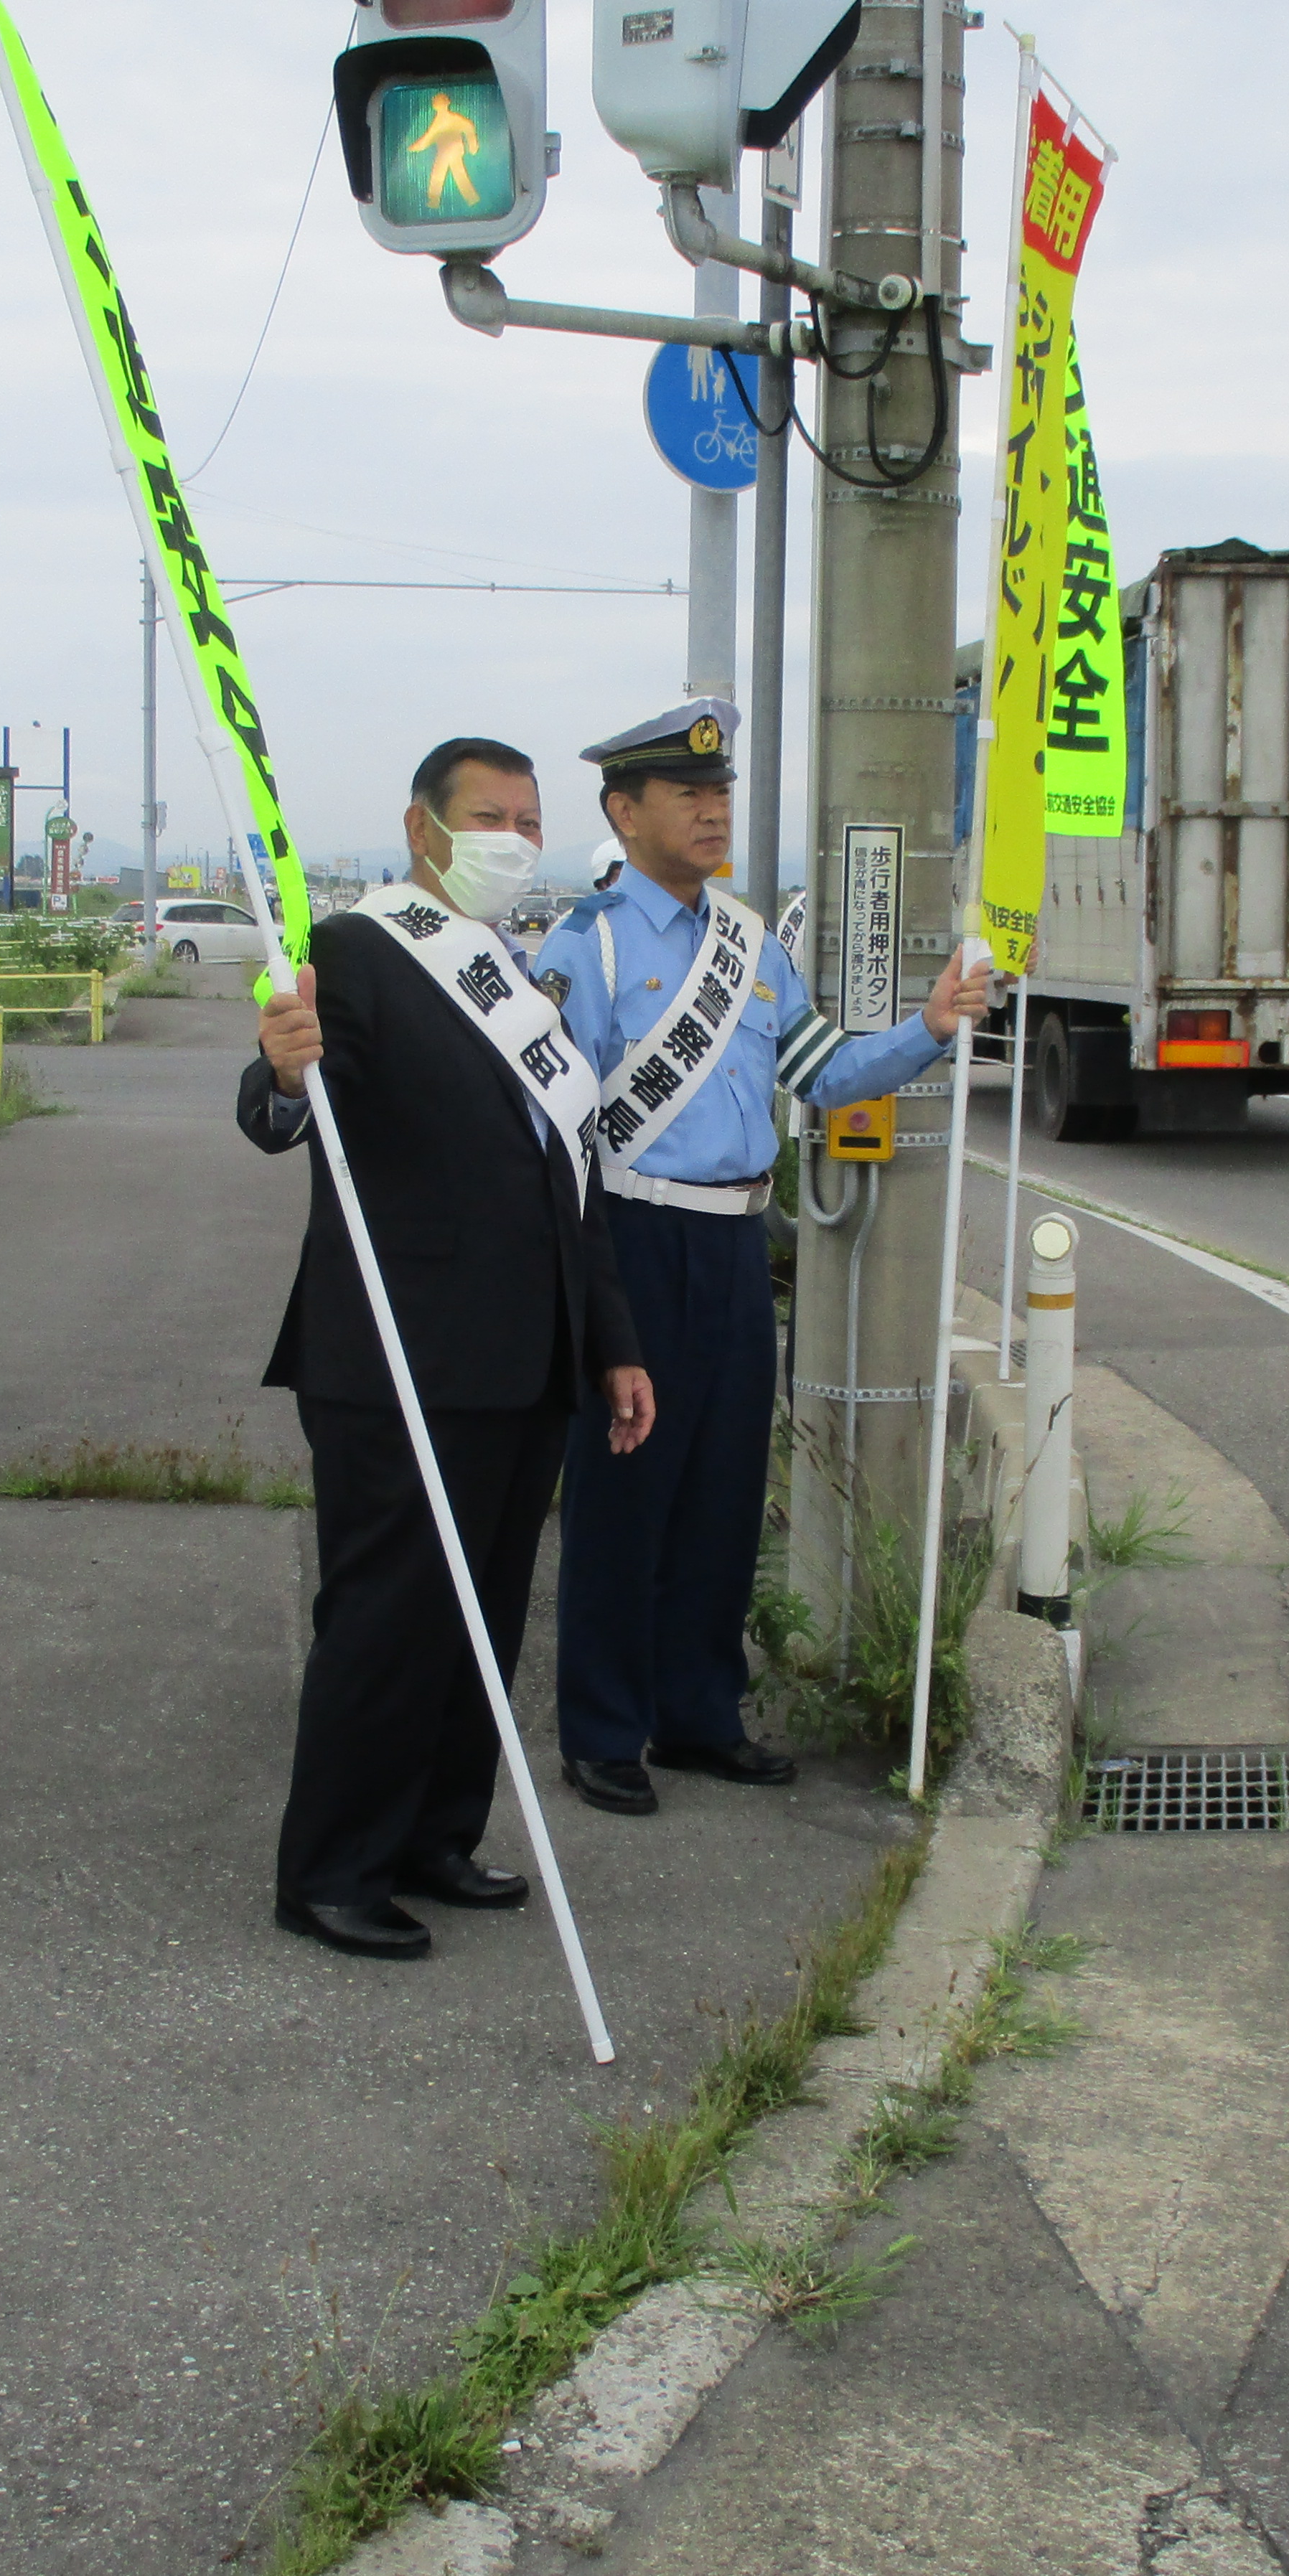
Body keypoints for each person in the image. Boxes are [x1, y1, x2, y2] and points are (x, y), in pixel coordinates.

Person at [537, 698, 993, 1815]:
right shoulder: (584, 945)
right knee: (622, 1490)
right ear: (624, 811)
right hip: (631, 1236)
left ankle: (700, 1713)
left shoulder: (748, 945)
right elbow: (553, 1122)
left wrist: (929, 1026)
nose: (712, 809)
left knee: (725, 1490)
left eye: (721, 791)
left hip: (738, 1244)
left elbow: (823, 1072)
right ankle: (602, 1729)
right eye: (688, 794)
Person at [240, 738, 655, 1961]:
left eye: (530, 818)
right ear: (423, 828)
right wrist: (277, 1073)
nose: (514, 839)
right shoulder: (357, 950)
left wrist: (611, 1344)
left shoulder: (510, 973)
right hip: (397, 1359)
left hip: (526, 1362)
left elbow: (563, 1174)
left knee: (485, 1615)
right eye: (490, 815)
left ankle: (433, 1833)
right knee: (390, 1617)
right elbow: (281, 1103)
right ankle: (330, 1870)